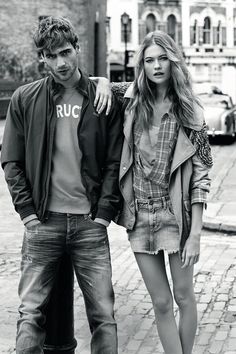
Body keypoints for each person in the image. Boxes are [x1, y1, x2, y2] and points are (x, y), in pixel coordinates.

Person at [1, 16, 123, 354]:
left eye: (66, 52)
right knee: (29, 315)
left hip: (89, 225)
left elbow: (114, 161)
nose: (61, 62)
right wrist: (27, 213)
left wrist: (103, 214)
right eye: (51, 55)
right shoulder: (26, 99)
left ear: (77, 49)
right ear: (42, 57)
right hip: (43, 224)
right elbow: (12, 160)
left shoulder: (102, 99)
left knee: (104, 317)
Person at [105, 30, 212, 354]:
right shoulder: (131, 103)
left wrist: (194, 234)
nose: (156, 65)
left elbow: (201, 176)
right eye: (149, 60)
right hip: (141, 218)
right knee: (162, 303)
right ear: (142, 65)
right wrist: (98, 81)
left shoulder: (190, 110)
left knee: (183, 295)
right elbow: (94, 86)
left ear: (173, 60)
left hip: (174, 215)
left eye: (163, 58)